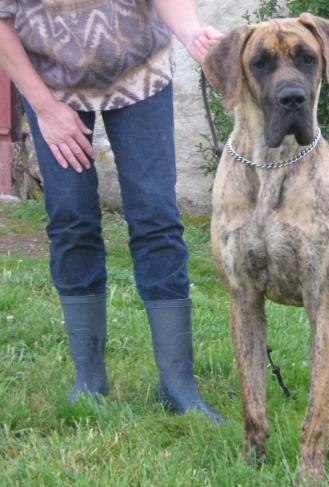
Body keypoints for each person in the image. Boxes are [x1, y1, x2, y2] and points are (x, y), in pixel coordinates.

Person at [0, 0, 225, 423]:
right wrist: (46, 109)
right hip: (50, 83)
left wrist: (192, 32)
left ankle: (178, 385)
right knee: (71, 218)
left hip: (140, 74)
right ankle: (90, 378)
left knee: (156, 217)